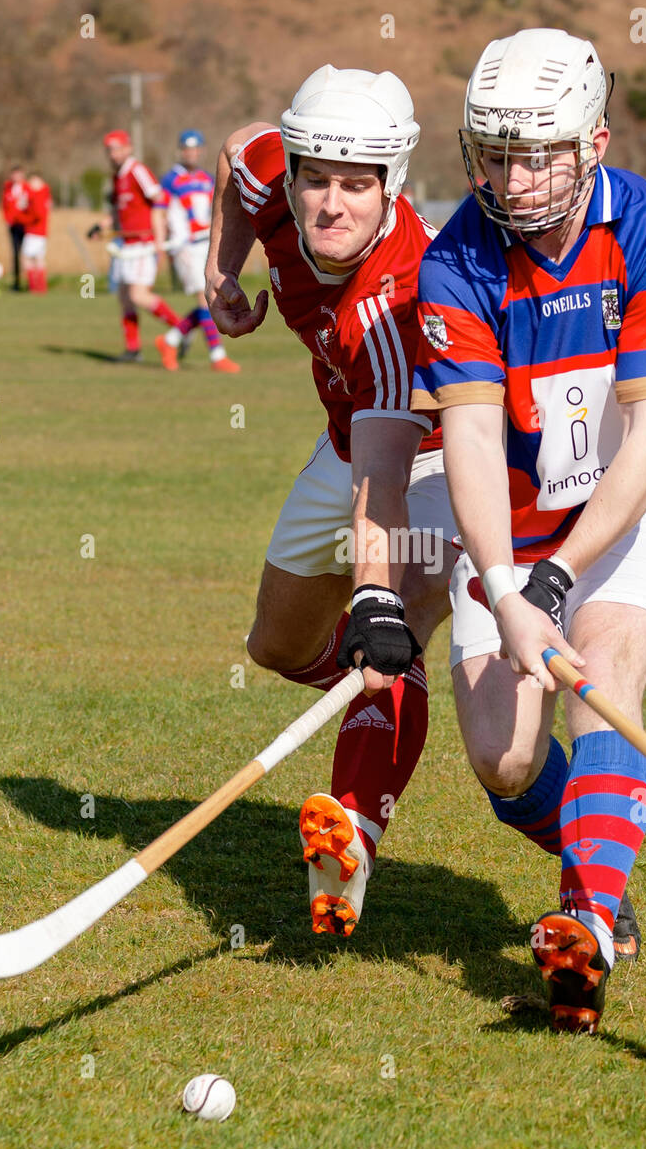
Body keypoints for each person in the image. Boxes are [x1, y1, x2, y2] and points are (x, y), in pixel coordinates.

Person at [411, 28, 646, 1033]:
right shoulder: (456, 258)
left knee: (606, 673)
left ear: (592, 142)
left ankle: (581, 924)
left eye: (536, 151)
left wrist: (560, 582)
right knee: (504, 761)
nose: (515, 175)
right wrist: (505, 586)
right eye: (495, 152)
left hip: (635, 506)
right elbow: (465, 436)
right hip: (508, 521)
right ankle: (597, 859)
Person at [206, 66, 454, 936]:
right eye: (317, 179)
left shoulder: (396, 292)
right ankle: (388, 685)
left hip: (427, 452)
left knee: (392, 615)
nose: (332, 204)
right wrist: (222, 276)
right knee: (275, 646)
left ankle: (358, 809)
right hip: (346, 436)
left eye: (358, 185)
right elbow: (238, 158)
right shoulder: (270, 172)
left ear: (393, 183)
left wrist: (377, 601)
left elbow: (386, 477)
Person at [101, 129, 189, 363]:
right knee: (124, 297)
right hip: (125, 244)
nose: (114, 154)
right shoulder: (116, 177)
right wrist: (102, 225)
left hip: (144, 244)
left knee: (139, 295)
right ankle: (133, 350)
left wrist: (160, 239)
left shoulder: (137, 170)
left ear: (128, 148)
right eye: (110, 150)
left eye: (118, 148)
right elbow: (120, 212)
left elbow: (159, 200)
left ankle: (182, 328)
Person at [161, 130, 237, 372]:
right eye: (186, 149)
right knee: (205, 300)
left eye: (195, 149)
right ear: (180, 151)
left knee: (209, 300)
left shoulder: (207, 178)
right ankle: (217, 356)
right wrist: (162, 243)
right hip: (185, 248)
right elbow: (159, 213)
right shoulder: (170, 180)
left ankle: (170, 340)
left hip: (205, 244)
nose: (191, 153)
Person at [21, 171, 51, 293]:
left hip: (34, 232)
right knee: (38, 258)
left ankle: (35, 286)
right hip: (41, 232)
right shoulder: (44, 194)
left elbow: (38, 214)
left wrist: (23, 218)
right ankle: (40, 286)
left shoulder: (38, 195)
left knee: (27, 258)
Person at [2, 166, 30, 290]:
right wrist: (7, 219)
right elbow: (5, 206)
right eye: (14, 174)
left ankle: (30, 283)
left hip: (25, 225)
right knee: (15, 254)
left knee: (27, 253)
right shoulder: (8, 188)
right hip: (13, 225)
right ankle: (17, 282)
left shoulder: (28, 188)